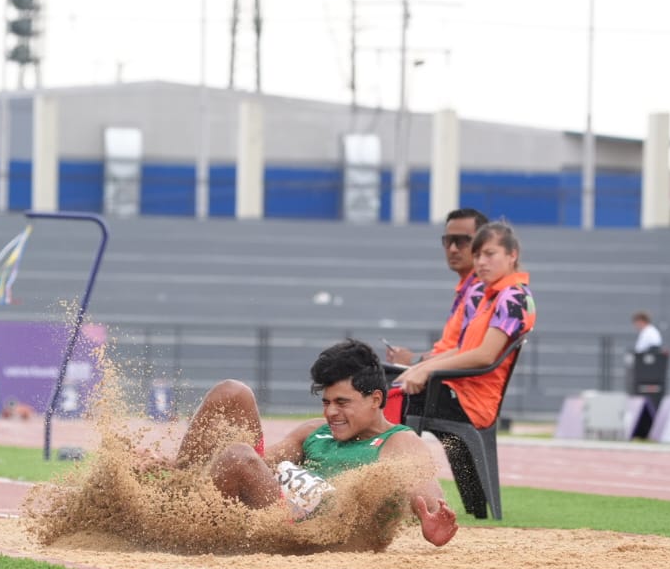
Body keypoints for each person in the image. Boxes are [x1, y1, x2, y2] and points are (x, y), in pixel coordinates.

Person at [172, 339, 458, 547]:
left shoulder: (399, 442)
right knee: (232, 392)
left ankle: (174, 528)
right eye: (326, 402)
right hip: (269, 512)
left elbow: (428, 496)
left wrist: (434, 520)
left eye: (342, 403)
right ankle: (174, 489)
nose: (331, 412)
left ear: (375, 399)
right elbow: (261, 465)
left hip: (309, 536)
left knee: (237, 456)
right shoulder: (314, 431)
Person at [396, 221, 536, 429]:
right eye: (477, 255)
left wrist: (426, 370)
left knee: (388, 401)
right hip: (458, 390)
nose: (481, 262)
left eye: (490, 254)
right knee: (391, 389)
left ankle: (388, 453)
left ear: (512, 255)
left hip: (471, 403)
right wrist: (418, 368)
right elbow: (462, 349)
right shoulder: (490, 297)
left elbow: (485, 356)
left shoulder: (513, 297)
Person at [384, 207, 489, 368]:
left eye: (461, 241)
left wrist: (413, 361)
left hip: (446, 378)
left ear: (483, 244)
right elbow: (451, 350)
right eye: (448, 241)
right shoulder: (467, 289)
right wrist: (411, 359)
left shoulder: (480, 293)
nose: (453, 249)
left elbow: (467, 352)